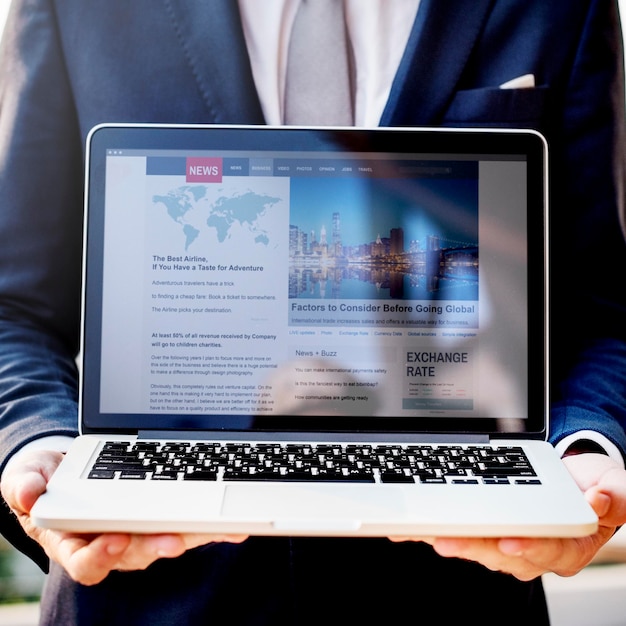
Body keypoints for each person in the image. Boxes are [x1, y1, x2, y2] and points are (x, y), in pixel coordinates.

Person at [1, 0, 626, 624]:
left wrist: (586, 449)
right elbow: (13, 306)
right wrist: (40, 448)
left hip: (454, 600)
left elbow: (605, 309)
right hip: (148, 598)